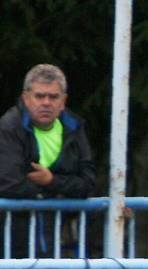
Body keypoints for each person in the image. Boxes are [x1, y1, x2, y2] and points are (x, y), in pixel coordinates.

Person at [0, 64, 96, 257]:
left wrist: (51, 181)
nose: (46, 103)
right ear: (25, 98)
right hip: (9, 241)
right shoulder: (9, 126)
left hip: (55, 241)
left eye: (53, 97)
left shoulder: (74, 128)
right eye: (39, 96)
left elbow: (89, 183)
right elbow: (8, 183)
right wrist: (60, 192)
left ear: (63, 101)